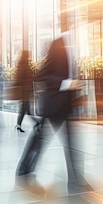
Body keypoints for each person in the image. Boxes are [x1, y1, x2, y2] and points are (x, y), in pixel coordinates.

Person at [15, 33, 92, 194]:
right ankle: (23, 169)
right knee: (39, 140)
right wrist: (67, 83)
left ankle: (76, 178)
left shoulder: (75, 47)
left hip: (66, 105)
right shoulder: (58, 44)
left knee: (70, 142)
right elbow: (43, 75)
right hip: (53, 104)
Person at [14, 49, 35, 133]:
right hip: (25, 92)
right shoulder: (24, 66)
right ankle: (36, 123)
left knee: (24, 109)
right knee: (27, 109)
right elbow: (24, 79)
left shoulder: (22, 65)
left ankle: (18, 125)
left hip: (25, 92)